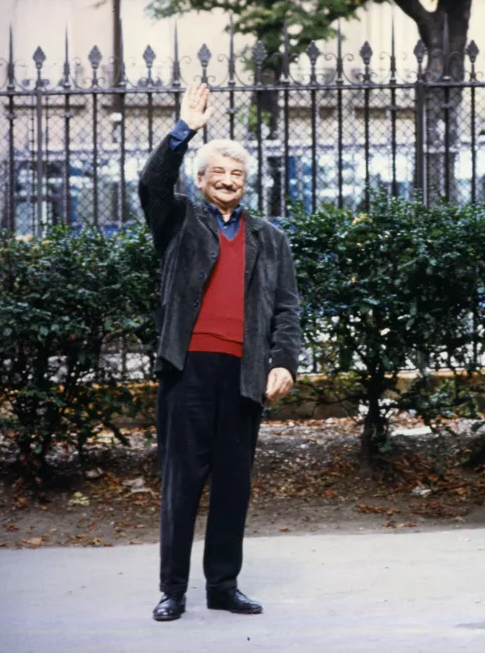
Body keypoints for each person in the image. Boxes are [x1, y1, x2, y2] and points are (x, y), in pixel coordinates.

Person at [138, 82, 302, 621]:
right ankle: (173, 590)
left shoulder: (270, 239)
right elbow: (152, 183)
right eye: (219, 173)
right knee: (181, 484)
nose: (229, 180)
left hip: (243, 374)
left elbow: (287, 309)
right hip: (188, 370)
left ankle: (223, 586)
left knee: (233, 486)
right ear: (201, 179)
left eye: (238, 174)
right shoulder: (178, 221)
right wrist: (184, 130)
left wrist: (283, 361)